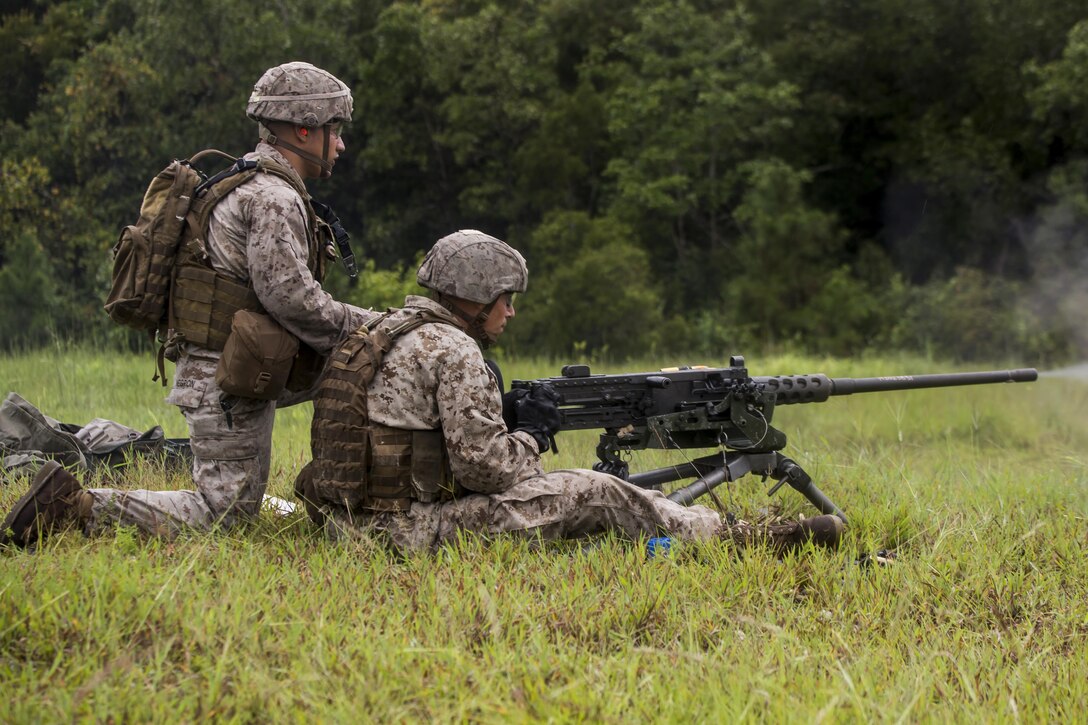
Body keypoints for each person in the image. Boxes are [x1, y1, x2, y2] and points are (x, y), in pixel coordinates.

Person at [2, 61, 376, 547]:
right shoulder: (271, 197)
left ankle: (350, 494)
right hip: (227, 380)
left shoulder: (251, 184)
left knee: (365, 364)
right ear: (303, 130)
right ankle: (73, 504)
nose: (341, 144)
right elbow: (292, 300)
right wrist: (378, 326)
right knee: (221, 514)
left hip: (233, 371)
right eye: (335, 130)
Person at [298, 229, 844, 554]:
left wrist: (501, 413)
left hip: (344, 523)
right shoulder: (455, 350)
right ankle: (747, 539)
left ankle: (685, 524)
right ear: (479, 296)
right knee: (595, 489)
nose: (511, 312)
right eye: (506, 299)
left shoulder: (382, 329)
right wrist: (532, 434)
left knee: (598, 494)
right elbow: (488, 472)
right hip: (405, 535)